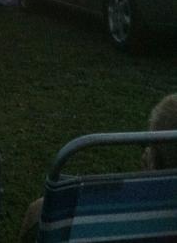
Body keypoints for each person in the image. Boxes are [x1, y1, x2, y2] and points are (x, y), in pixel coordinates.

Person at [18, 93, 177, 242]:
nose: (145, 152)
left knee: (38, 209)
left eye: (149, 145)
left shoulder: (123, 218)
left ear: (157, 162)